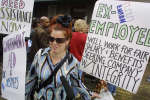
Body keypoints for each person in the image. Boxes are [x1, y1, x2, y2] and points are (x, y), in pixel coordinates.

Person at [25, 15, 96, 100]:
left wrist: (90, 94)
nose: (54, 43)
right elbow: (30, 81)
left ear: (67, 41)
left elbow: (78, 84)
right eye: (51, 39)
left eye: (59, 40)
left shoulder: (72, 62)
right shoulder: (40, 55)